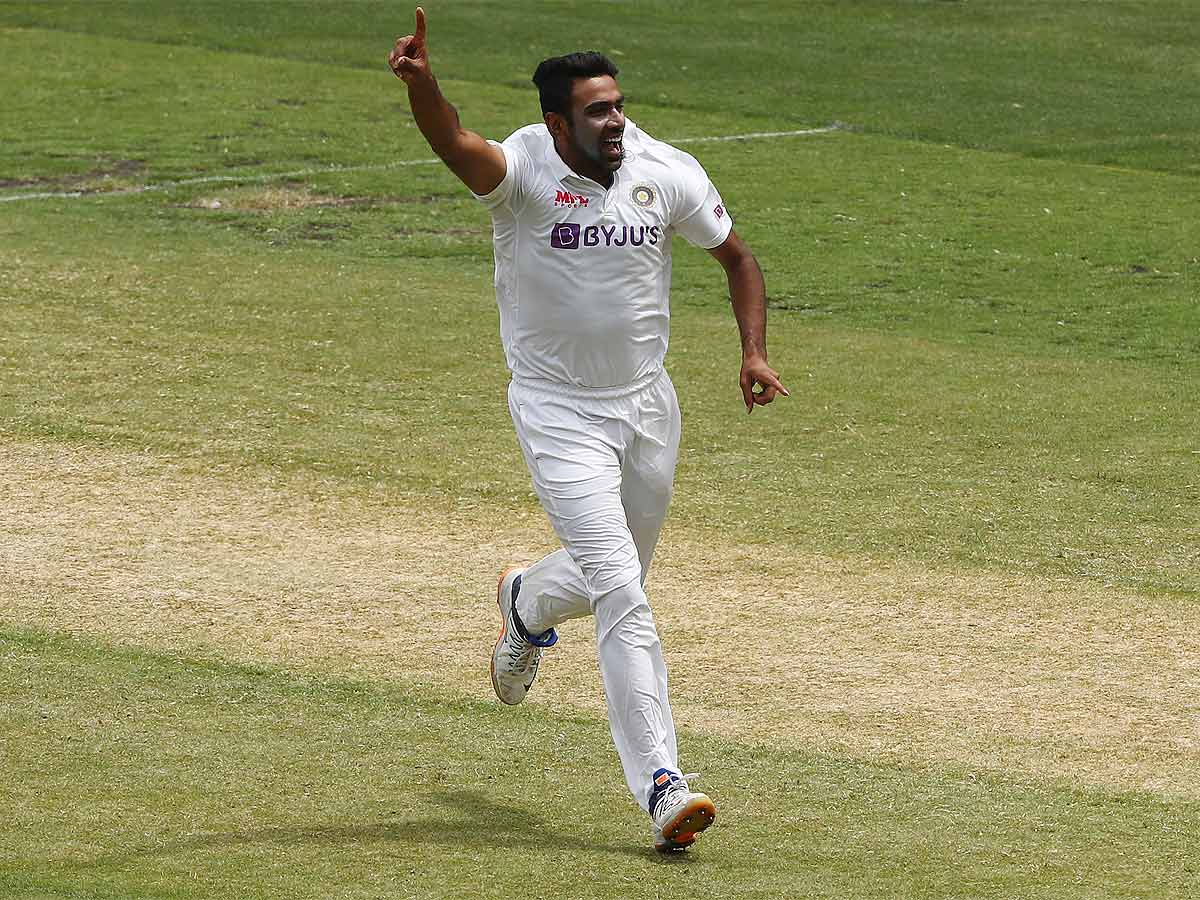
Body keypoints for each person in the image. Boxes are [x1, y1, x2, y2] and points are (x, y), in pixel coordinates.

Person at [389, 7, 788, 852]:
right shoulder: (525, 172)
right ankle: (661, 785)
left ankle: (527, 602)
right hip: (557, 410)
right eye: (596, 111)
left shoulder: (664, 169)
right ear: (555, 121)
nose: (615, 121)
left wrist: (753, 353)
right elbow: (457, 145)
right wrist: (425, 89)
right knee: (622, 591)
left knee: (621, 573)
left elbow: (738, 259)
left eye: (617, 105)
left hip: (648, 408)